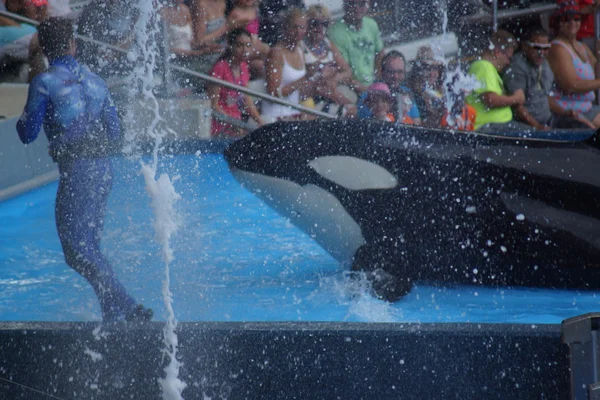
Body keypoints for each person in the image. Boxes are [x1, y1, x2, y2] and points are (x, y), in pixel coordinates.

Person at [16, 18, 153, 322]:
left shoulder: (45, 82)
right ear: (73, 45)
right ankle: (111, 313)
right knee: (90, 247)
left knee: (77, 252)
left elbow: (27, 133)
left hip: (77, 170)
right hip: (103, 171)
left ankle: (129, 307)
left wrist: (26, 115)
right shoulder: (97, 81)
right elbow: (116, 133)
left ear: (44, 48)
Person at [504, 26, 594, 130]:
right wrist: (538, 127)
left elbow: (546, 97)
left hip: (548, 120)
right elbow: (517, 107)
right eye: (537, 47)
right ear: (525, 46)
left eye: (545, 48)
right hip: (525, 125)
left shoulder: (544, 64)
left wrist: (568, 112)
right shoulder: (517, 67)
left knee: (584, 127)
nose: (541, 52)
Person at [548, 1, 600, 128]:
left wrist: (599, 55)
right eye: (567, 19)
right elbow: (571, 85)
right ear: (559, 23)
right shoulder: (557, 48)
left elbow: (596, 75)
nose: (572, 23)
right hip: (570, 112)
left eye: (576, 19)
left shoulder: (582, 46)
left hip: (589, 108)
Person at [465, 29, 529, 132]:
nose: (508, 63)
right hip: (490, 127)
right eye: (508, 58)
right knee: (535, 135)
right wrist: (516, 98)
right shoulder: (483, 66)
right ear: (498, 52)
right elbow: (491, 100)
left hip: (497, 126)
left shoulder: (487, 68)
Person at [301, 5, 357, 117]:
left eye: (324, 24)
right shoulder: (301, 47)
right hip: (311, 97)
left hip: (330, 93)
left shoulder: (328, 44)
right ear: (307, 24)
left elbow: (347, 71)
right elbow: (303, 80)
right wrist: (321, 77)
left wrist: (335, 78)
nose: (320, 28)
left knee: (353, 111)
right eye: (315, 23)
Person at [207, 28, 264, 136]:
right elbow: (213, 105)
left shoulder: (244, 67)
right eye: (239, 45)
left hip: (236, 123)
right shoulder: (220, 67)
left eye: (248, 45)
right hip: (219, 124)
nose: (245, 50)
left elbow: (247, 101)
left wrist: (260, 121)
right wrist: (233, 124)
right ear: (230, 45)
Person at [262, 8, 314, 122]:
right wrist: (304, 79)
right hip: (275, 116)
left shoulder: (301, 49)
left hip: (294, 113)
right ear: (285, 28)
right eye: (294, 27)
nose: (298, 31)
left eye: (302, 27)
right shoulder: (276, 53)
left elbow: (303, 90)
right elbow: (274, 93)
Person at [328, 0, 384, 87]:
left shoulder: (371, 24)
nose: (356, 8)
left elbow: (380, 53)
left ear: (367, 4)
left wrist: (379, 80)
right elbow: (345, 71)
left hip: (373, 83)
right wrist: (365, 91)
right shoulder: (335, 32)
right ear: (345, 5)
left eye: (361, 3)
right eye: (352, 3)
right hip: (349, 86)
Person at [357, 51, 421, 124]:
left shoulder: (406, 93)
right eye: (391, 72)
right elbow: (367, 124)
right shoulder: (370, 95)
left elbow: (417, 122)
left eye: (400, 72)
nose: (396, 76)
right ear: (382, 72)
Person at [227, 0, 270, 79]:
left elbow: (255, 33)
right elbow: (228, 32)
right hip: (243, 48)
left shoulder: (254, 10)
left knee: (262, 63)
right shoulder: (235, 12)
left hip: (253, 46)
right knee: (266, 50)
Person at [407, 46, 445, 127]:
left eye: (435, 69)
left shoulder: (440, 93)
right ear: (418, 70)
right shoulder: (410, 93)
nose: (432, 74)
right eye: (427, 69)